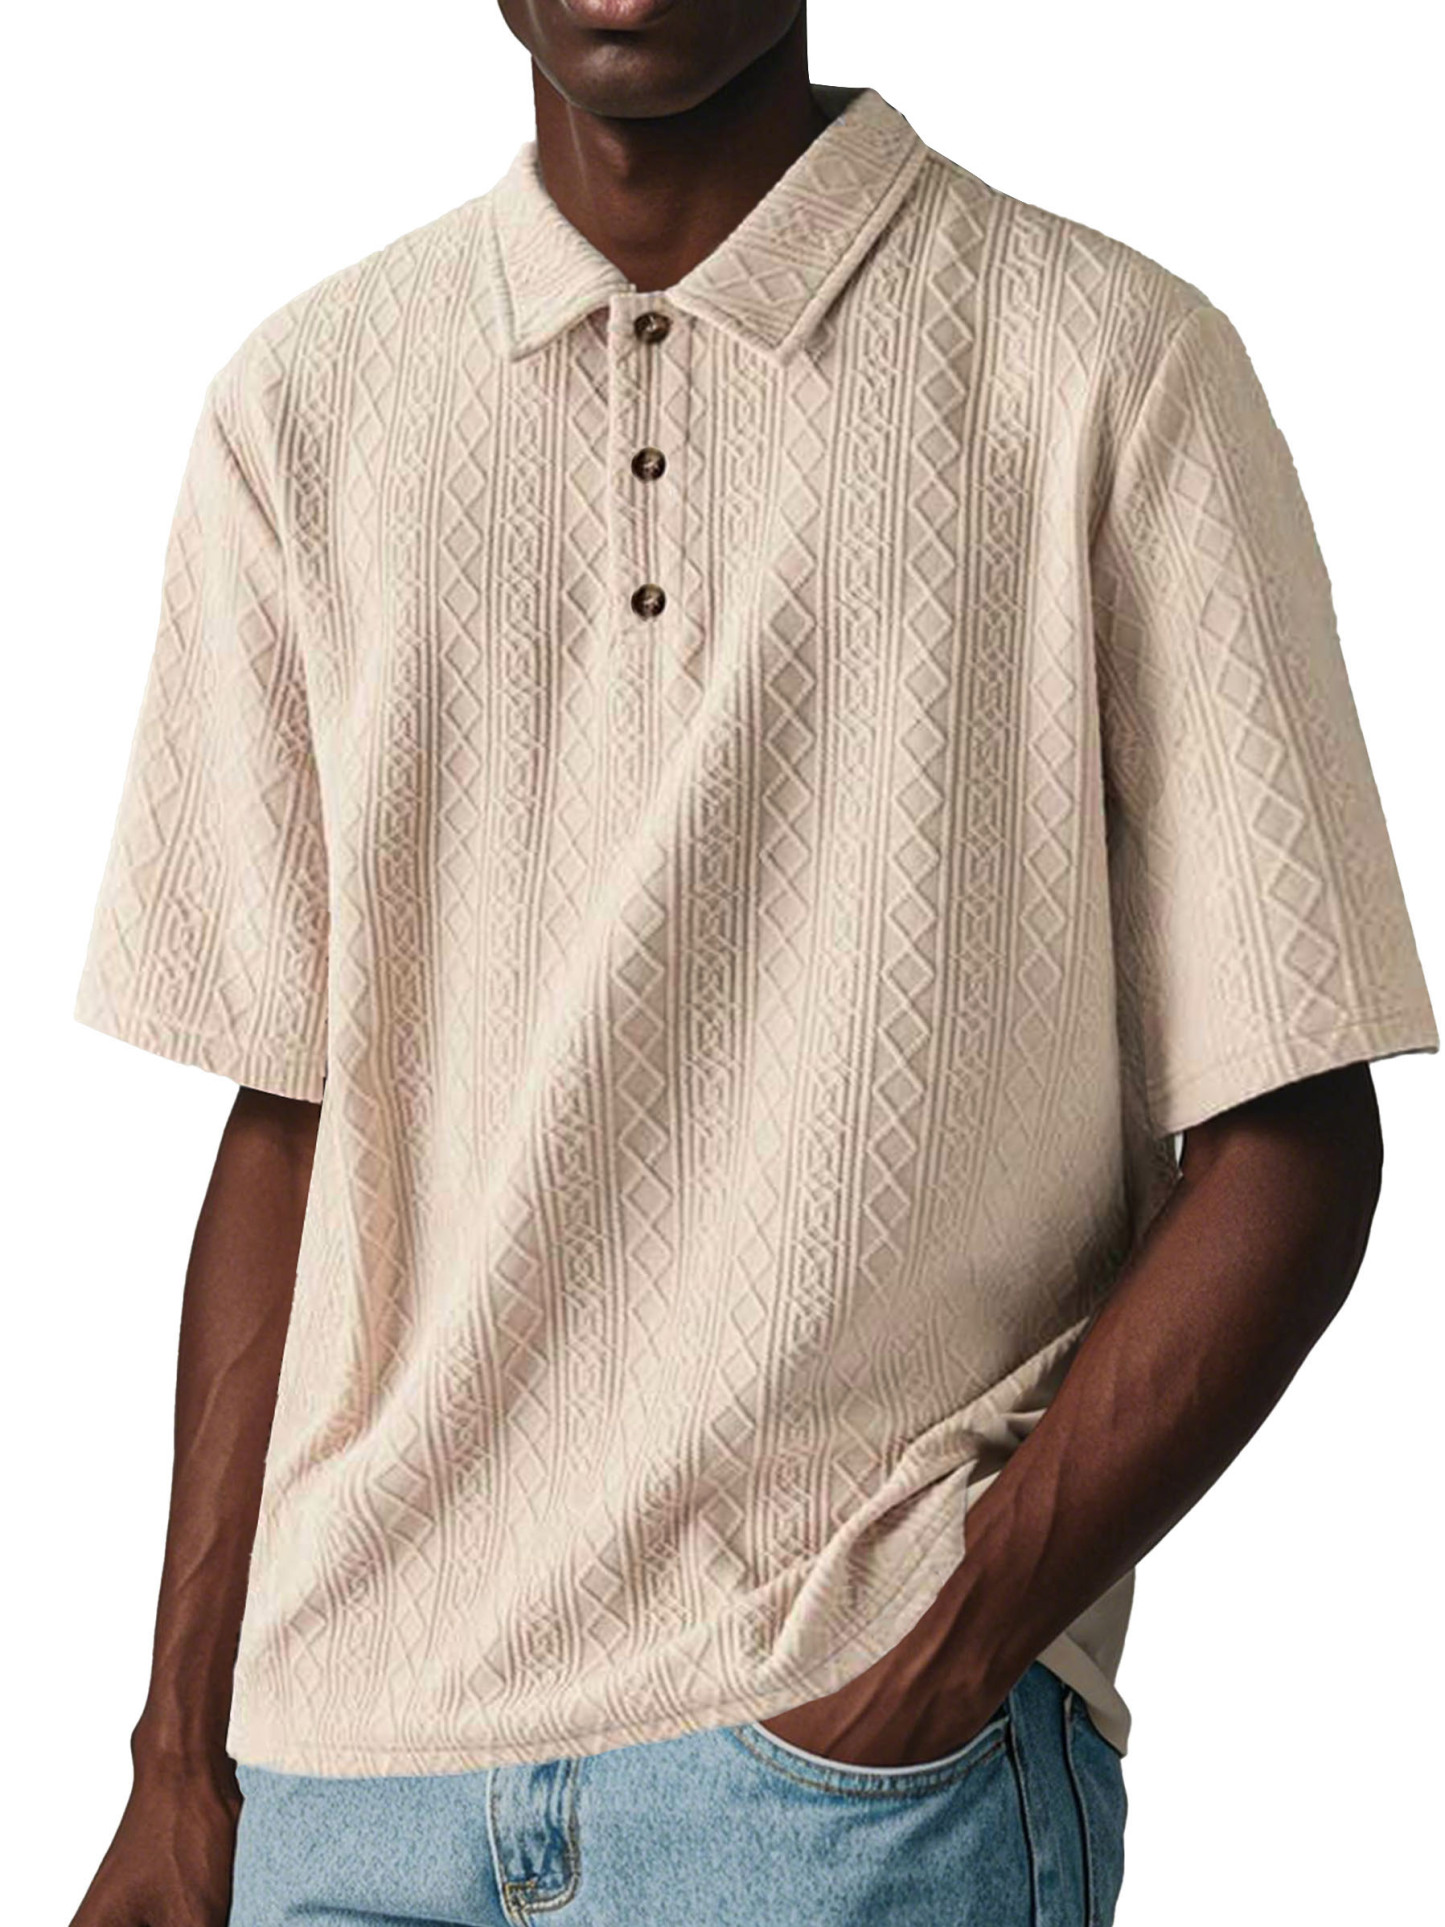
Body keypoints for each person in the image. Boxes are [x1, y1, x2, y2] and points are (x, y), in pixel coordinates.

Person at [65, 3, 1437, 1924]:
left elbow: (1293, 1125)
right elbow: (289, 1118)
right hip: (347, 1784)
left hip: (831, 1794)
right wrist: (174, 1760)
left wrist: (946, 1652)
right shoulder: (304, 402)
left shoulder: (1105, 365)